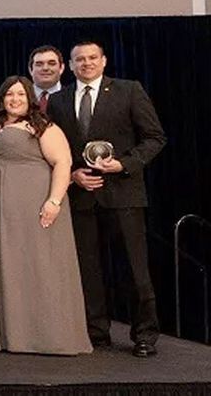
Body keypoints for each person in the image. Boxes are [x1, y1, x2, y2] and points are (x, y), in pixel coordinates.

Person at [47, 41, 166, 357]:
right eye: (79, 59)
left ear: (104, 61)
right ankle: (96, 332)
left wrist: (124, 164)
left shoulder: (129, 90)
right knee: (88, 270)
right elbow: (57, 150)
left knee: (135, 269)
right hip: (81, 197)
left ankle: (144, 335)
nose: (85, 63)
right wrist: (72, 174)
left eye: (91, 58)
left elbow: (155, 138)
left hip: (123, 195)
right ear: (69, 66)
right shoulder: (58, 100)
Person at [0, 76, 90, 355]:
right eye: (9, 94)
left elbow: (62, 162)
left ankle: (41, 336)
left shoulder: (43, 126)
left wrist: (54, 201)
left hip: (29, 203)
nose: (15, 99)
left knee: (34, 264)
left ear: (29, 97)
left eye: (21, 94)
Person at [29, 45, 65, 110]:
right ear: (30, 70)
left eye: (51, 64)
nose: (45, 68)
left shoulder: (73, 97)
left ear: (61, 68)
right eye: (39, 64)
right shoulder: (22, 98)